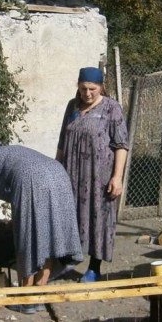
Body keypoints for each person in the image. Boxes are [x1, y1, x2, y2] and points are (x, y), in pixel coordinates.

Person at [0, 137, 83, 312]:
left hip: (32, 178)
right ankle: (39, 294)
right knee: (49, 237)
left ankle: (26, 297)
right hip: (60, 176)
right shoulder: (9, 152)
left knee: (27, 239)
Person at [56, 66, 130, 283]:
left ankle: (94, 267)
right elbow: (62, 141)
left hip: (100, 177)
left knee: (99, 219)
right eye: (82, 89)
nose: (87, 94)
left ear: (101, 87)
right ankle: (67, 260)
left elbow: (121, 145)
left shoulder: (111, 108)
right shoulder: (73, 106)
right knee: (71, 215)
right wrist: (56, 170)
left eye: (92, 89)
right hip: (71, 173)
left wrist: (117, 177)